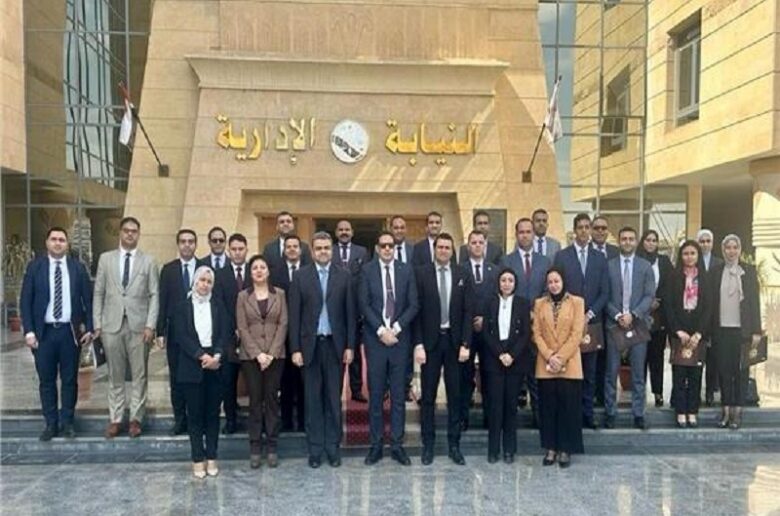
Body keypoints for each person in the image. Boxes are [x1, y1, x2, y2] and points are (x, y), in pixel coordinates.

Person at [288, 231, 356, 468]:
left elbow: (350, 314)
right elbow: (294, 315)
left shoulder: (344, 276)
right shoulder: (300, 276)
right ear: (312, 250)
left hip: (335, 346)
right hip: (310, 347)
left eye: (327, 248)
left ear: (332, 250)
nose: (323, 252)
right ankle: (315, 449)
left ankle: (333, 448)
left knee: (333, 399)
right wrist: (295, 348)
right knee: (313, 400)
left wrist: (350, 346)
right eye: (319, 248)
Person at [20, 227, 94, 441]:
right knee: (47, 380)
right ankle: (51, 423)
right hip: (44, 334)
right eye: (54, 239)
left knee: (70, 380)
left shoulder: (77, 268)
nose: (58, 243)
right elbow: (26, 301)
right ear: (47, 243)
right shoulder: (35, 267)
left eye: (62, 240)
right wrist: (29, 331)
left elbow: (88, 300)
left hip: (69, 333)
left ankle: (68, 422)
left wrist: (90, 328)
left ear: (67, 244)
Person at [93, 216, 159, 439]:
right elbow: (99, 293)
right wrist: (97, 324)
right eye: (126, 230)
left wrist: (150, 325)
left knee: (140, 375)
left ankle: (136, 419)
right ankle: (116, 418)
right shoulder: (106, 259)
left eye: (134, 231)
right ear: (120, 233)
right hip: (111, 325)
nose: (130, 234)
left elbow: (154, 294)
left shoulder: (148, 261)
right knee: (115, 374)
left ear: (138, 234)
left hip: (139, 326)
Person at [359, 231, 419, 466]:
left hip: (399, 341)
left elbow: (413, 304)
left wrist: (395, 328)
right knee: (375, 395)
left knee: (398, 396)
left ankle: (396, 445)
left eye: (390, 245)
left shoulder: (406, 270)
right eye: (383, 245)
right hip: (376, 341)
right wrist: (381, 331)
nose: (387, 249)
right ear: (376, 248)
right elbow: (363, 304)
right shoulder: (367, 271)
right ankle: (376, 445)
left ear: (394, 248)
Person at [413, 233, 472, 466]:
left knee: (455, 396)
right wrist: (418, 343)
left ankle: (454, 445)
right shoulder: (421, 273)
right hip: (430, 343)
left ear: (452, 250)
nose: (444, 250)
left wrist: (466, 343)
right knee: (428, 397)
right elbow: (416, 311)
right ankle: (428, 445)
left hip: (455, 343)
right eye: (440, 247)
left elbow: (468, 311)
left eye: (448, 247)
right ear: (434, 249)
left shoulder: (462, 274)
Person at [171, 266, 229, 479]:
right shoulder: (182, 307)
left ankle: (212, 457)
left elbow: (224, 333)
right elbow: (181, 336)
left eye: (209, 281)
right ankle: (197, 458)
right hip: (191, 364)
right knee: (194, 416)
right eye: (202, 280)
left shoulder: (219, 306)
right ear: (194, 282)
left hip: (215, 365)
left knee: (212, 415)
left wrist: (217, 356)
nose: (205, 285)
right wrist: (200, 355)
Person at [553, 213, 608, 429]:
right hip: (568, 323)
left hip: (591, 324)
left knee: (589, 372)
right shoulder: (562, 256)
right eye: (581, 227)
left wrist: (588, 314)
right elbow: (558, 289)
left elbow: (605, 292)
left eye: (587, 227)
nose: (584, 231)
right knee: (569, 371)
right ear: (574, 230)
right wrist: (573, 315)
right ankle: (570, 414)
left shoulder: (599, 258)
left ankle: (588, 414)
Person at [236, 254, 288, 468]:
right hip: (251, 357)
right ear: (250, 273)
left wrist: (272, 353)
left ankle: (272, 446)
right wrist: (257, 354)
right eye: (255, 268)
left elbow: (283, 324)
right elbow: (242, 327)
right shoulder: (242, 296)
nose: (259, 271)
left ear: (268, 272)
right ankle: (255, 446)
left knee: (272, 400)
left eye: (262, 267)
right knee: (255, 401)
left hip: (276, 356)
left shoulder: (280, 294)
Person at [604, 226, 656, 430]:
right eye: (624, 238)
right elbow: (604, 295)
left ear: (636, 242)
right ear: (619, 241)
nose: (627, 242)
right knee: (611, 371)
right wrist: (618, 315)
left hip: (638, 325)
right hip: (614, 325)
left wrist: (633, 314)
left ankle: (638, 414)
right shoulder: (609, 266)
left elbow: (649, 295)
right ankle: (610, 412)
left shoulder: (645, 266)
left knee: (638, 373)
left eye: (631, 239)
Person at [533, 268, 585, 468]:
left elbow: (577, 333)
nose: (553, 285)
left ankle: (565, 449)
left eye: (557, 281)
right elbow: (536, 333)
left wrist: (560, 358)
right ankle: (550, 448)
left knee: (568, 408)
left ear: (563, 282)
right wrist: (549, 356)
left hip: (569, 363)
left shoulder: (577, 302)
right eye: (550, 282)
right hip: (546, 363)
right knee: (548, 408)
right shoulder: (540, 303)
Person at [501, 217, 550, 423]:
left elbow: (548, 290)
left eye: (528, 232)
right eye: (521, 232)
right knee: (513, 376)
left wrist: (535, 312)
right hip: (514, 327)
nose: (525, 235)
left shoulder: (545, 261)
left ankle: (539, 418)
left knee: (536, 375)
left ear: (534, 234)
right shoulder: (506, 261)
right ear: (516, 234)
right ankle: (510, 421)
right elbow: (504, 290)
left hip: (539, 325)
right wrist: (522, 314)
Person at [711, 234, 762, 430]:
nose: (731, 251)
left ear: (740, 250)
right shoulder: (716, 271)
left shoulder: (748, 271)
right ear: (723, 250)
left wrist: (756, 330)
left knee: (741, 372)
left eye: (735, 247)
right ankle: (725, 410)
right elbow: (711, 303)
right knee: (724, 371)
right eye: (728, 248)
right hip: (722, 330)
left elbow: (755, 302)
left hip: (743, 331)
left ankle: (737, 412)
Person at [483, 268, 530, 464]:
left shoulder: (522, 303)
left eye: (510, 280)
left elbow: (525, 334)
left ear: (515, 283)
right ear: (498, 283)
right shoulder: (490, 302)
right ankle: (493, 450)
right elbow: (486, 332)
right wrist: (500, 354)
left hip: (515, 360)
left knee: (510, 406)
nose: (507, 284)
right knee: (495, 407)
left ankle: (509, 449)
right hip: (494, 360)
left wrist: (511, 355)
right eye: (503, 280)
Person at [664, 240, 712, 428]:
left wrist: (699, 333)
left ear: (698, 255)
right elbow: (668, 305)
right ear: (681, 256)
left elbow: (709, 307)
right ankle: (680, 411)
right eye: (686, 253)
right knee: (679, 373)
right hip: (679, 330)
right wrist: (678, 331)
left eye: (693, 253)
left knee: (695, 374)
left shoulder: (705, 277)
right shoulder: (673, 276)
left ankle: (692, 411)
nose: (689, 257)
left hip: (698, 330)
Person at [156, 229, 199, 436]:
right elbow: (162, 301)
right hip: (175, 334)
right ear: (178, 244)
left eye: (191, 241)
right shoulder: (169, 270)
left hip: (199, 334)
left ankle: (196, 419)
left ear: (196, 244)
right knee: (176, 379)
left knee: (198, 379)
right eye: (183, 241)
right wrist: (160, 331)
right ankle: (180, 420)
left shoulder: (204, 267)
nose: (187, 245)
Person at [460, 229, 499, 430]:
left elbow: (499, 300)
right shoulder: (460, 269)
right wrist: (469, 321)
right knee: (464, 375)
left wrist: (486, 319)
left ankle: (489, 418)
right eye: (473, 242)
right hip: (466, 331)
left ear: (485, 245)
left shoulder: (495, 270)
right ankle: (463, 417)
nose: (477, 246)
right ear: (468, 246)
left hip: (489, 331)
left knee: (489, 374)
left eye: (480, 242)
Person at [212, 233, 251, 434]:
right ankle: (231, 420)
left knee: (254, 382)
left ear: (246, 250)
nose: (237, 253)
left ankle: (256, 421)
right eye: (234, 249)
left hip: (252, 336)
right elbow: (219, 306)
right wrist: (234, 328)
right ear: (229, 251)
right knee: (228, 382)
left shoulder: (255, 272)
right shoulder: (219, 275)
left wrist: (244, 328)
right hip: (228, 337)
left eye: (240, 249)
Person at [270, 235, 305, 433]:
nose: (292, 249)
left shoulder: (309, 270)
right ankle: (286, 422)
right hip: (281, 334)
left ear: (301, 249)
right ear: (284, 250)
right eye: (288, 246)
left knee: (303, 381)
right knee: (284, 380)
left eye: (295, 246)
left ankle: (303, 421)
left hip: (303, 333)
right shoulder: (275, 273)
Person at [637, 229, 674, 408]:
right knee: (640, 356)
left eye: (654, 240)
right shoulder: (636, 260)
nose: (651, 243)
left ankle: (658, 393)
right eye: (648, 240)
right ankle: (639, 392)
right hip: (640, 315)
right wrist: (646, 302)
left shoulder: (664, 261)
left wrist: (658, 300)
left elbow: (671, 284)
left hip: (659, 315)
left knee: (657, 355)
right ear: (642, 242)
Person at [334, 219, 369, 403]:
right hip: (334, 309)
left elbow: (365, 279)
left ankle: (356, 390)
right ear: (336, 232)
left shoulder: (362, 252)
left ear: (352, 232)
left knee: (354, 351)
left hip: (355, 309)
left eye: (347, 229)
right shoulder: (329, 251)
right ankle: (336, 389)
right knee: (336, 353)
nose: (344, 232)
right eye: (341, 229)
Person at [591, 215, 619, 408]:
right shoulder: (585, 252)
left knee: (607, 359)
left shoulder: (615, 252)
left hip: (612, 315)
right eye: (597, 228)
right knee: (591, 358)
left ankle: (604, 397)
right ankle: (591, 394)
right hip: (592, 314)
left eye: (604, 228)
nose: (600, 231)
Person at [698, 228, 723, 405]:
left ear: (713, 244)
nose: (705, 244)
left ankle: (710, 392)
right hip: (696, 316)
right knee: (696, 356)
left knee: (713, 357)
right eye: (702, 241)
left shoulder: (719, 263)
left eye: (708, 241)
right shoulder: (691, 261)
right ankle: (694, 391)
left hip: (715, 316)